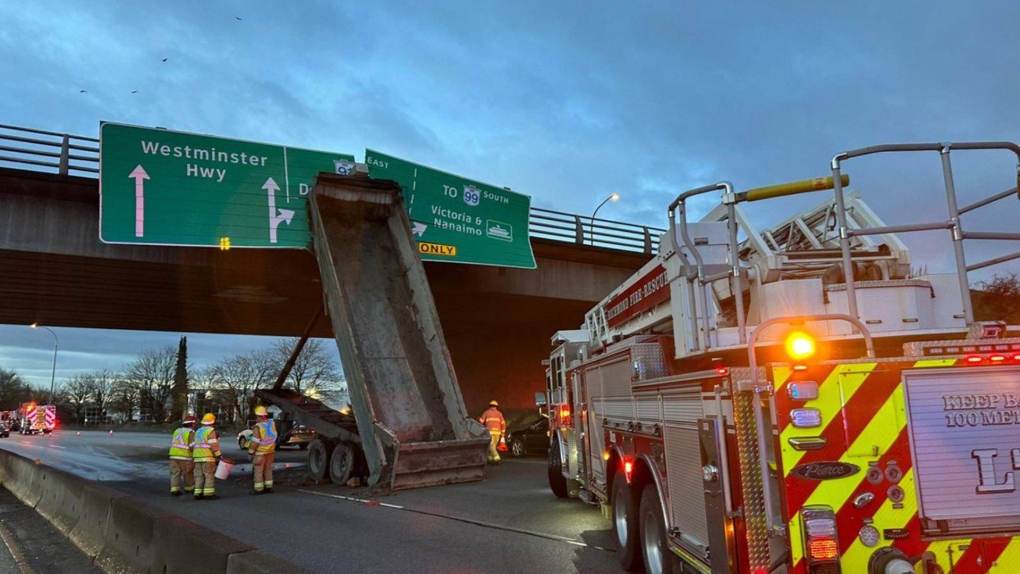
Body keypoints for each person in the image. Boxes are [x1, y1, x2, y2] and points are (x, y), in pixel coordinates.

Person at [248, 405, 278, 495]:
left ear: (260, 416)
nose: (257, 418)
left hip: (260, 452)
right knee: (268, 469)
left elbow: (255, 442)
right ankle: (269, 487)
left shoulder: (258, 427)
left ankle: (259, 489)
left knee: (258, 470)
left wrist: (250, 452)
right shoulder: (272, 424)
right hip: (270, 451)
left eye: (257, 416)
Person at [192, 413, 222, 500]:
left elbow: (194, 444)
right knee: (209, 475)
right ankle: (208, 494)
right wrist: (218, 455)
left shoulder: (198, 431)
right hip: (207, 457)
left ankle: (197, 493)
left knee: (199, 475)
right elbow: (214, 446)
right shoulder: (210, 431)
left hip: (197, 457)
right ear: (212, 422)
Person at [168, 415, 197, 496]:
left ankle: (174, 489)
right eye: (194, 424)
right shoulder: (190, 432)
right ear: (191, 424)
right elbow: (192, 445)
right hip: (185, 456)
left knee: (175, 473)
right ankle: (189, 488)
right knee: (188, 473)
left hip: (173, 455)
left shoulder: (177, 430)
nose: (195, 425)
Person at [478, 400, 506, 465]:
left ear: (489, 406)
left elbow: (481, 421)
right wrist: (503, 433)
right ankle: (490, 459)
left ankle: (497, 459)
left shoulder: (486, 413)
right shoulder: (499, 414)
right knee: (492, 446)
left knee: (491, 446)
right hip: (497, 433)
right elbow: (503, 424)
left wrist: (479, 418)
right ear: (496, 406)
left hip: (490, 433)